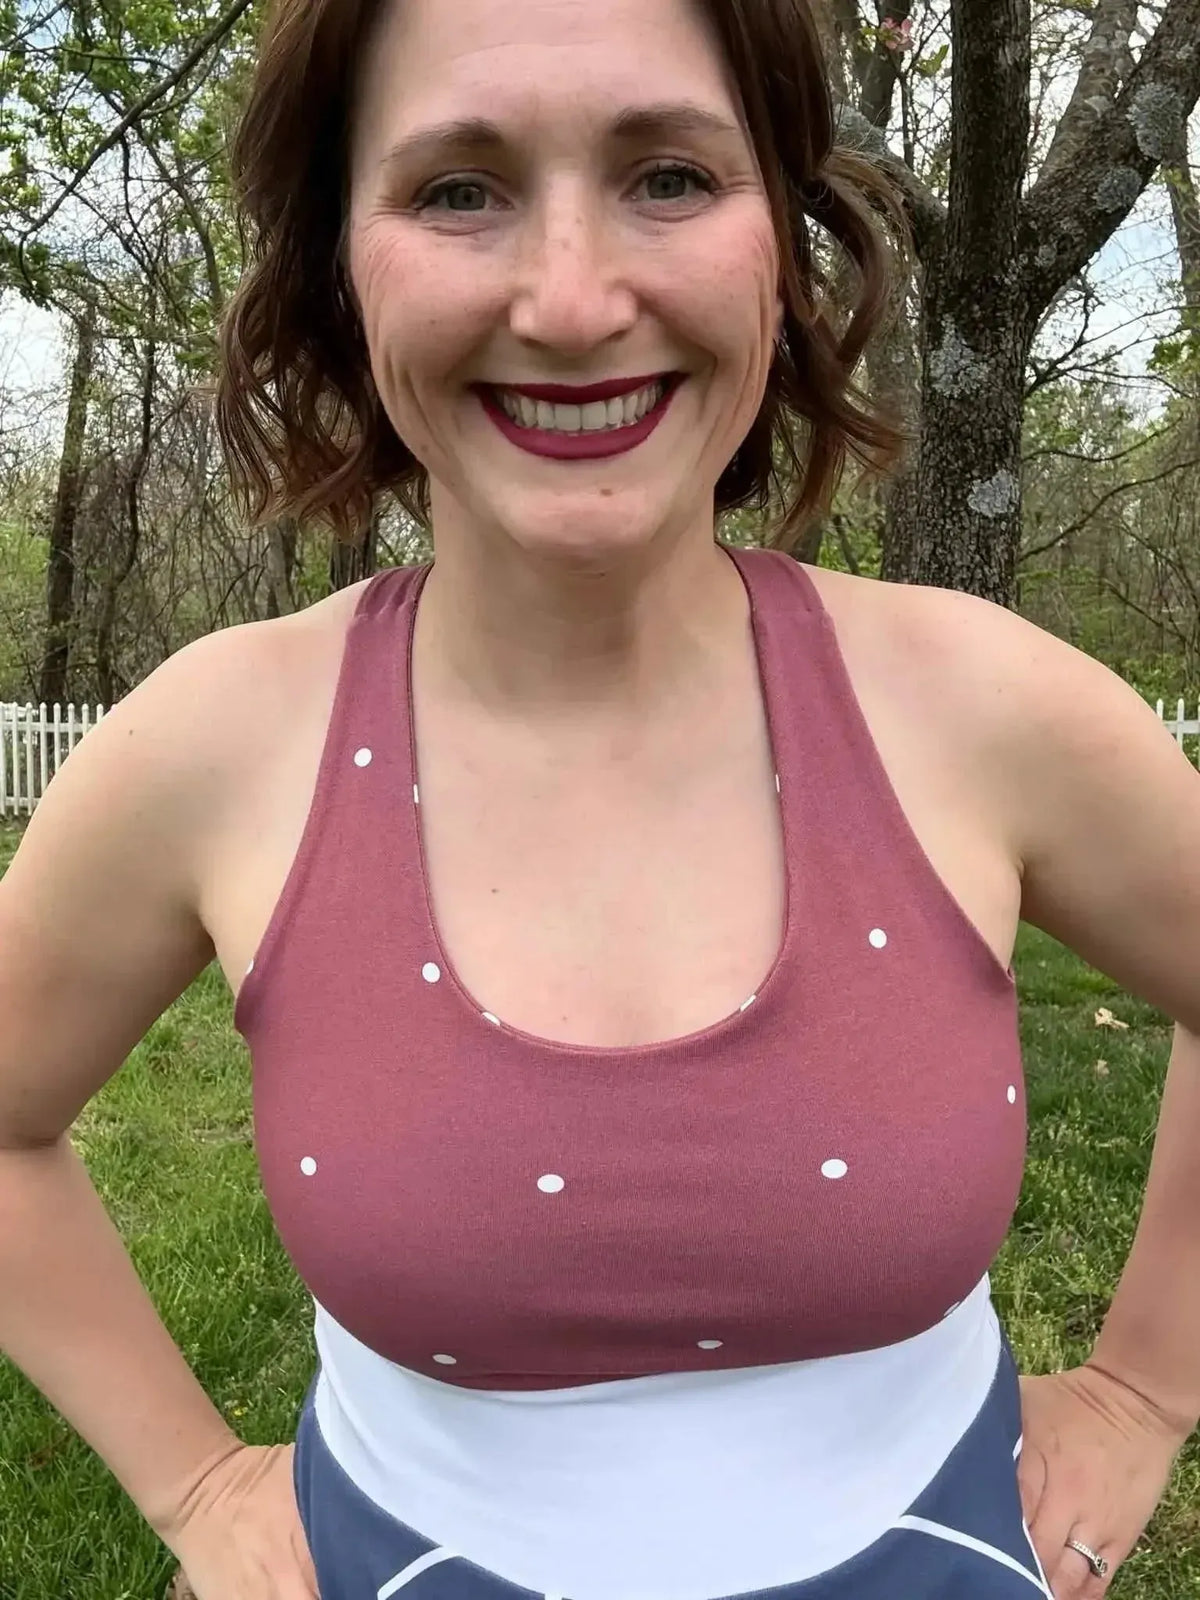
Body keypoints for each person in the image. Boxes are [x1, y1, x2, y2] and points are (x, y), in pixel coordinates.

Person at [1, 0, 1198, 1596]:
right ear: (334, 270)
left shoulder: (989, 708)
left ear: (783, 239)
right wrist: (197, 1483)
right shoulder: (215, 746)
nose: (572, 302)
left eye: (670, 177)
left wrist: (1146, 1385)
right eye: (456, 191)